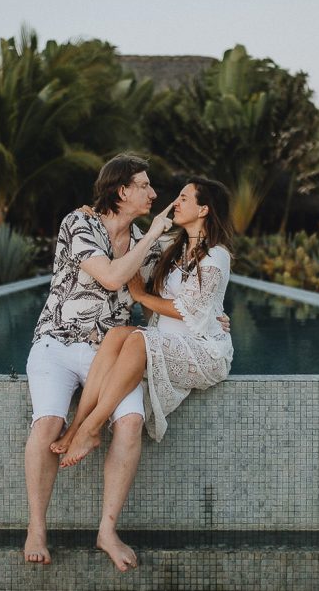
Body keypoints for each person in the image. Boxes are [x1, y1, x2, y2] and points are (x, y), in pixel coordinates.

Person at [23, 153, 173, 572]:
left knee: (129, 423)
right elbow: (109, 276)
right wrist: (150, 238)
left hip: (110, 353)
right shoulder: (80, 223)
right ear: (122, 190)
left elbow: (167, 285)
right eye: (145, 185)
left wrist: (203, 313)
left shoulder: (146, 238)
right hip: (57, 342)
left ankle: (107, 529)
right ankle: (37, 527)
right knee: (48, 422)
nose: (153, 193)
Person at [51, 176, 233, 466]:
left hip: (203, 351)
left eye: (184, 198)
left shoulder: (216, 256)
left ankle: (90, 428)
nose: (175, 202)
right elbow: (129, 236)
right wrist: (94, 214)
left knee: (138, 339)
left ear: (203, 210)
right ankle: (76, 426)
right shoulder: (174, 247)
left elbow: (190, 310)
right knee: (117, 335)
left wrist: (140, 296)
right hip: (172, 341)